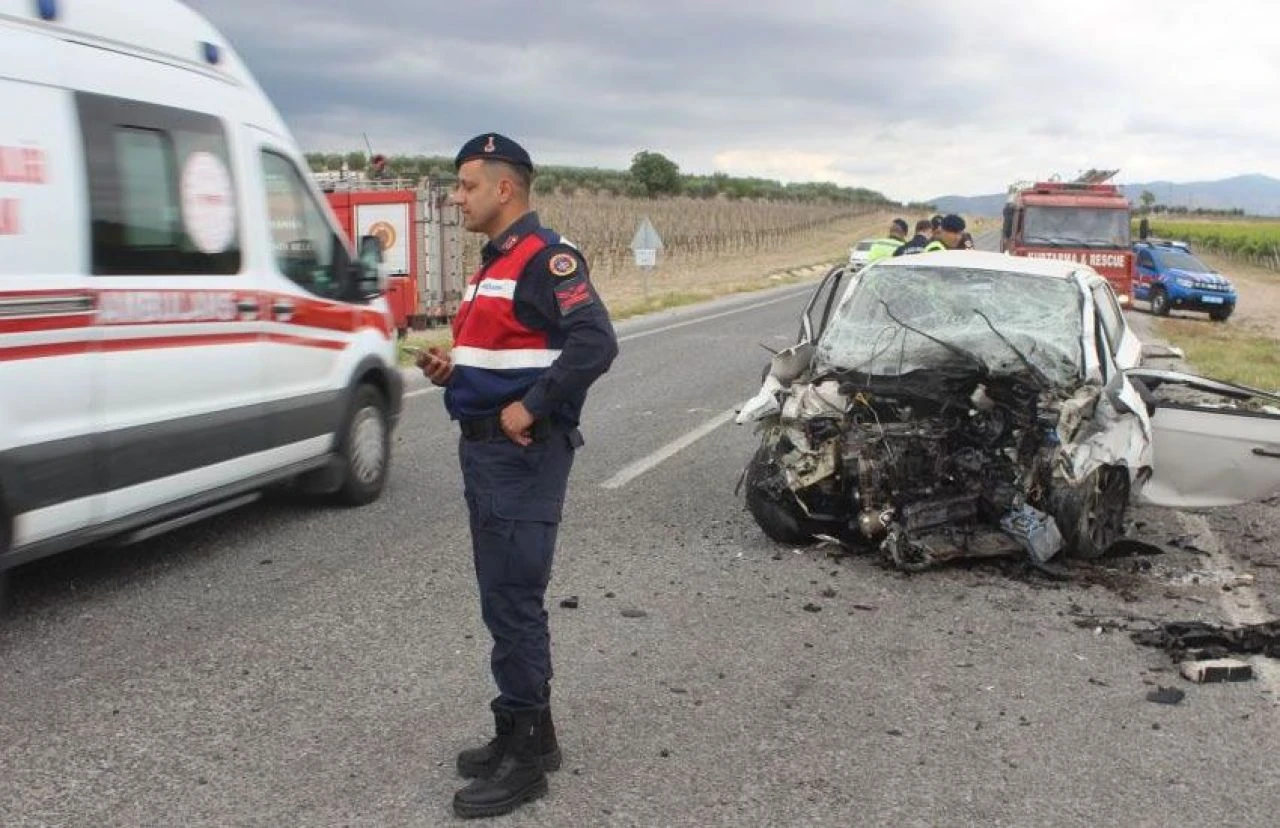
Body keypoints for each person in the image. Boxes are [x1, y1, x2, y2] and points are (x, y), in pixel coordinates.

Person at [419, 133, 618, 819]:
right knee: (501, 596)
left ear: (506, 189)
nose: (456, 198)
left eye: (467, 186)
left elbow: (596, 342)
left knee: (513, 602)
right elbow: (507, 352)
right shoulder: (493, 262)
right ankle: (527, 732)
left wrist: (531, 407)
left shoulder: (546, 257)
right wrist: (455, 369)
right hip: (485, 450)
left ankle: (526, 760)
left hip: (521, 455)